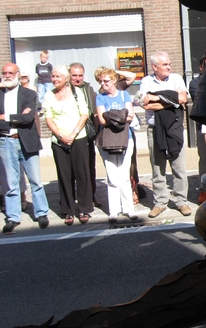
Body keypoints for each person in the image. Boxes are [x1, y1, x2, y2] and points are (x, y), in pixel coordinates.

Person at [138, 51, 191, 218]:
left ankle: (181, 201)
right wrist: (171, 100)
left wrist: (157, 98)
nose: (169, 67)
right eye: (165, 65)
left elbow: (182, 99)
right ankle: (160, 202)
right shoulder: (146, 81)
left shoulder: (176, 78)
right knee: (157, 168)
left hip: (174, 129)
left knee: (179, 168)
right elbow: (145, 104)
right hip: (155, 129)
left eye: (169, 64)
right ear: (155, 67)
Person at [0, 63, 50, 233]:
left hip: (27, 141)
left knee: (35, 180)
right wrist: (17, 117)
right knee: (11, 182)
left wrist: (5, 117)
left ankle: (41, 213)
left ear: (18, 74)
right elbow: (22, 117)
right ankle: (13, 217)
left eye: (10, 73)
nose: (7, 75)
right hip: (6, 141)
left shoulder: (29, 94)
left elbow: (28, 118)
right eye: (4, 73)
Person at [44, 65, 94, 225]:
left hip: (78, 138)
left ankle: (84, 208)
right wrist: (60, 136)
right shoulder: (48, 95)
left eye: (58, 76)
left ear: (66, 79)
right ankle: (68, 210)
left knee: (82, 174)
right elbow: (48, 118)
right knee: (64, 176)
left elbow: (84, 114)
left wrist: (73, 134)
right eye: (53, 77)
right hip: (59, 141)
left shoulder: (76, 92)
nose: (54, 79)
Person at [95, 68, 137, 223]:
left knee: (124, 174)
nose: (103, 84)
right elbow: (102, 120)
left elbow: (130, 116)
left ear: (114, 80)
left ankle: (129, 208)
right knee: (112, 176)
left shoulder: (124, 94)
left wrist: (111, 114)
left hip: (126, 137)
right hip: (107, 139)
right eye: (100, 81)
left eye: (106, 81)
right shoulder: (100, 97)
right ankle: (114, 210)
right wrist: (120, 115)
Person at [70, 62, 101, 207]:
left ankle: (91, 196)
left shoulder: (88, 89)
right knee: (70, 169)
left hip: (87, 132)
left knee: (89, 167)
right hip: (69, 132)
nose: (77, 78)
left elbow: (94, 110)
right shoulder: (64, 89)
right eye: (74, 75)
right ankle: (70, 198)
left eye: (80, 75)